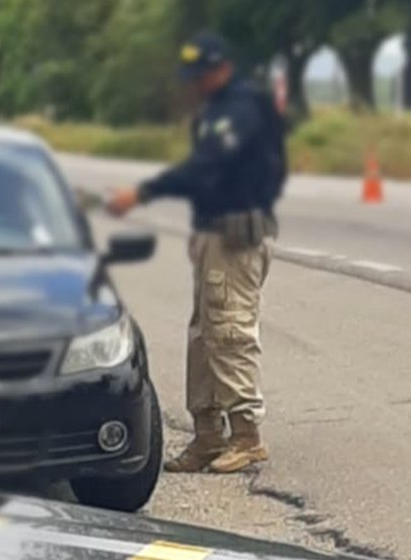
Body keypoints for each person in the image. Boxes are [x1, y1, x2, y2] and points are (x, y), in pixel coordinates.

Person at [107, 31, 288, 474]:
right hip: (215, 234)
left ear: (219, 67)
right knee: (204, 335)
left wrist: (146, 191)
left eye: (200, 75)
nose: (195, 84)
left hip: (236, 238)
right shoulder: (219, 107)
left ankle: (246, 435)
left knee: (229, 332)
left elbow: (210, 165)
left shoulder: (242, 107)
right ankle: (208, 435)